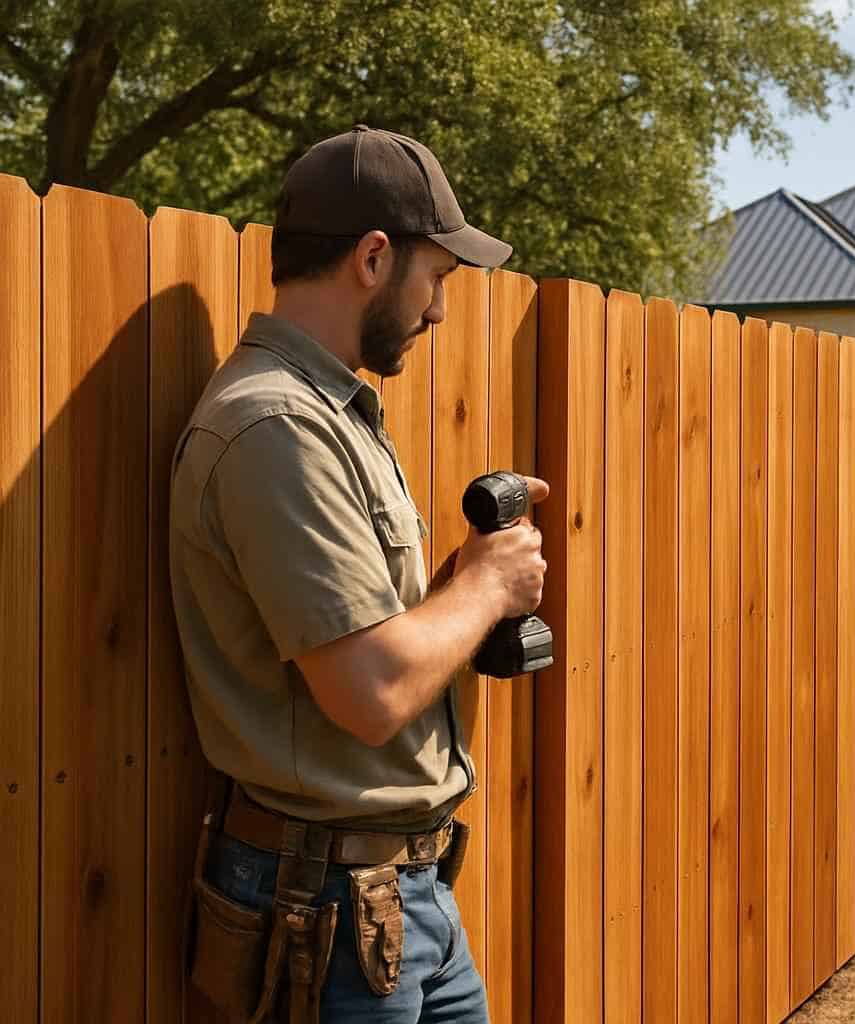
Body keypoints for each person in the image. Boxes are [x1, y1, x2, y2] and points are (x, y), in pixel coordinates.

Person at [168, 124, 546, 1023]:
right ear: (375, 257)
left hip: (391, 897)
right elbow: (369, 692)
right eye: (438, 277)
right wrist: (484, 586)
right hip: (325, 914)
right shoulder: (278, 428)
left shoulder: (331, 415)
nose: (441, 309)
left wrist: (459, 583)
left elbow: (364, 638)